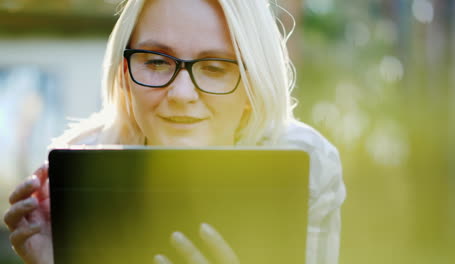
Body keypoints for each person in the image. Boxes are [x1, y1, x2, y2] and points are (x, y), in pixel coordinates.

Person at [3, 0, 346, 263]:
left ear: (253, 86)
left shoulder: (308, 166)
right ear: (124, 75)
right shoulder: (77, 164)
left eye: (214, 68)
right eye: (155, 61)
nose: (182, 95)